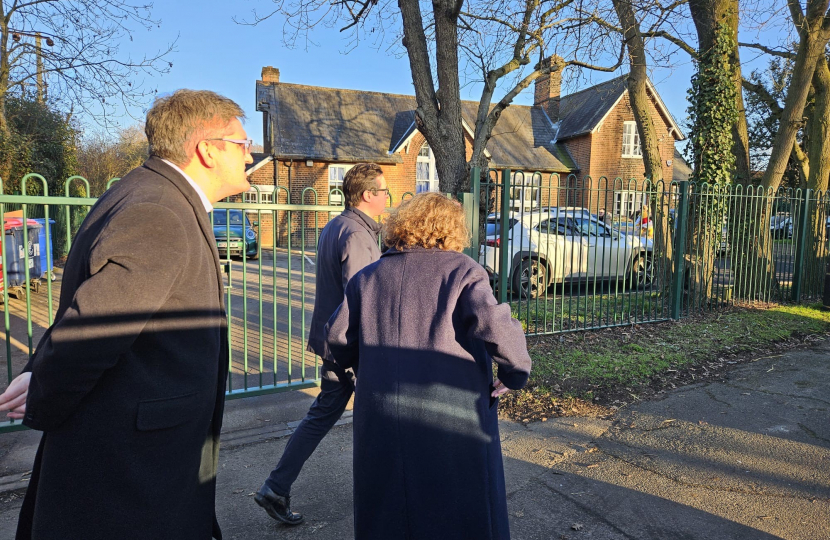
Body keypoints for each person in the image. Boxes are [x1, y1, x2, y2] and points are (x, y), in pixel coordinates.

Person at [0, 90, 254, 540]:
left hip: (148, 449)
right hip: (137, 466)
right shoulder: (160, 210)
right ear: (207, 149)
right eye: (240, 141)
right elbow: (96, 325)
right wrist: (44, 384)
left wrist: (40, 371)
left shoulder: (149, 192)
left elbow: (93, 303)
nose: (249, 150)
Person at [326, 192, 532, 540]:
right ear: (451, 230)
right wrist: (514, 374)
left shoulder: (368, 277)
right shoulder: (463, 271)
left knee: (389, 508)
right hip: (451, 411)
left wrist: (364, 370)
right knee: (459, 508)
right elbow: (498, 327)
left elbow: (337, 338)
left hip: (382, 412)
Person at [254, 163, 388, 525]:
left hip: (335, 343)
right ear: (367, 195)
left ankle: (275, 487)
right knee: (379, 418)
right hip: (351, 347)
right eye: (384, 191)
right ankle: (385, 498)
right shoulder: (358, 235)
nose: (388, 197)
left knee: (322, 415)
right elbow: (361, 299)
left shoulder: (336, 225)